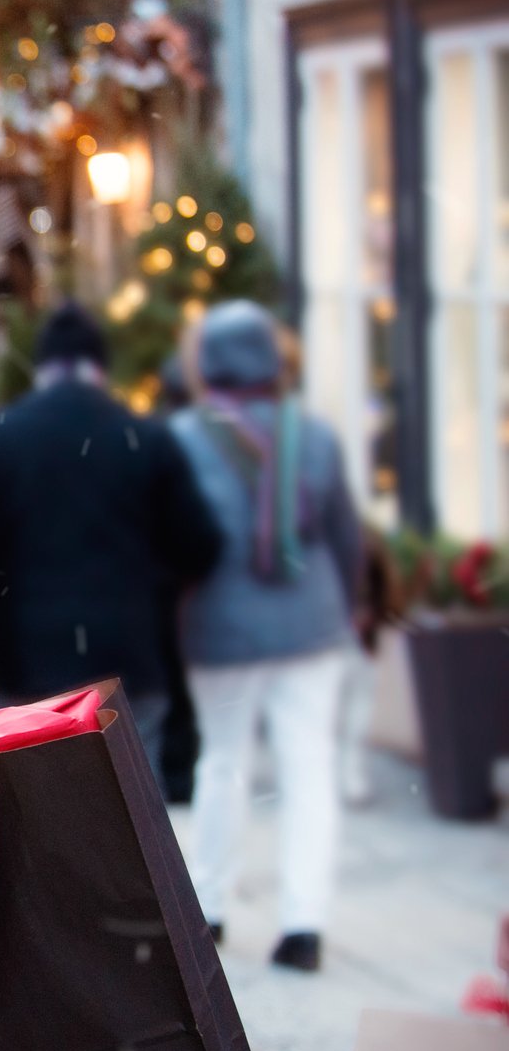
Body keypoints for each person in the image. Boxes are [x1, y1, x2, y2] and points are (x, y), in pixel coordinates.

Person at [0, 305, 223, 772]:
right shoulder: (145, 438)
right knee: (130, 826)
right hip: (127, 664)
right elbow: (200, 546)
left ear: (42, 367)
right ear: (100, 367)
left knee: (40, 819)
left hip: (28, 667)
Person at [171, 300, 363, 973]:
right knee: (308, 768)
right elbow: (344, 535)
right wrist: (358, 613)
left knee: (222, 762)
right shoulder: (312, 435)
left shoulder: (185, 437)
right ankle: (302, 925)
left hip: (220, 626)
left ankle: (211, 909)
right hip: (310, 623)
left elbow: (175, 539)